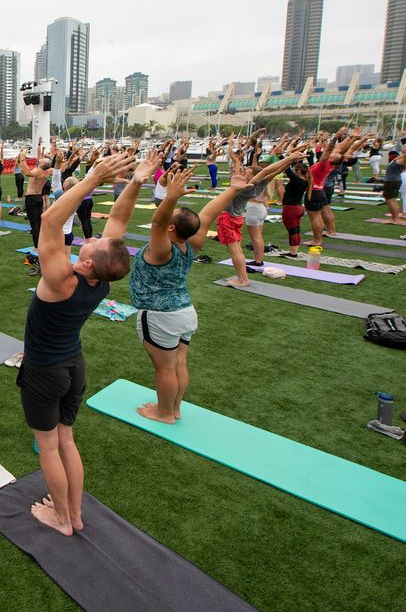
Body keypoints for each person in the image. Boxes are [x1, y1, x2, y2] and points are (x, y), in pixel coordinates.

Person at [22, 150, 141, 536]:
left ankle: (61, 518)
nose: (91, 240)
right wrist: (135, 180)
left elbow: (51, 219)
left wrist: (92, 178)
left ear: (88, 263)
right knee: (66, 439)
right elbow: (119, 221)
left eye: (92, 246)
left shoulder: (61, 279)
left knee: (49, 447)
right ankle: (73, 514)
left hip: (45, 371)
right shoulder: (102, 277)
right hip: (74, 366)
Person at [131, 161, 253, 425]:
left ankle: (164, 413)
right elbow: (207, 214)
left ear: (172, 228)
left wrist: (171, 196)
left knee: (164, 367)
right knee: (178, 364)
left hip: (160, 315)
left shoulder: (162, 250)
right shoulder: (191, 244)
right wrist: (232, 190)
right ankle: (173, 408)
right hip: (184, 313)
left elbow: (157, 222)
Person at [218, 151, 303, 286]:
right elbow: (274, 172)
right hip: (237, 218)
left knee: (234, 251)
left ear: (253, 176)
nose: (244, 172)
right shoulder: (259, 184)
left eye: (247, 171)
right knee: (237, 249)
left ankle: (242, 280)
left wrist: (290, 158)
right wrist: (288, 161)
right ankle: (243, 277)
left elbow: (267, 171)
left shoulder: (249, 185)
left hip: (228, 218)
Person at [384, 132, 406, 224]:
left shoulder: (405, 158)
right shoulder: (405, 157)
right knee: (392, 200)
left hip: (391, 181)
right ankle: (395, 218)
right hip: (394, 180)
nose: (405, 147)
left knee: (391, 200)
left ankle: (395, 219)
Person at [280, 157, 311, 257]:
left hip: (291, 209)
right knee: (296, 230)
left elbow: (287, 170)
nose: (293, 170)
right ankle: (294, 251)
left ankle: (293, 252)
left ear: (298, 171)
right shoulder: (304, 181)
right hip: (298, 208)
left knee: (292, 231)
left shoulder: (297, 180)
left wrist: (282, 157)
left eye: (295, 169)